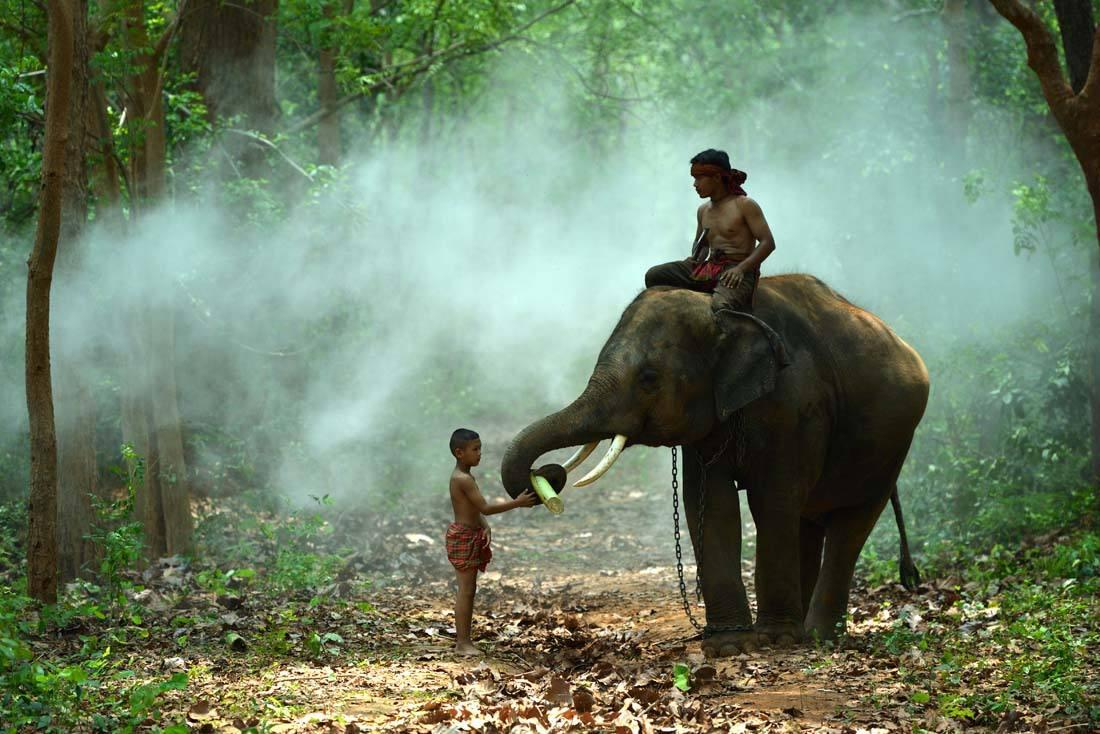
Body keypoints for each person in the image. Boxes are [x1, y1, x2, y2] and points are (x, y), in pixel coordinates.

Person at [645, 149, 777, 316]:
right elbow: (703, 245)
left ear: (716, 177)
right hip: (708, 268)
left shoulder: (745, 205)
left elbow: (768, 243)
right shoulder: (703, 210)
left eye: (699, 178)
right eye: (694, 179)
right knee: (654, 275)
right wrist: (695, 258)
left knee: (721, 307)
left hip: (736, 270)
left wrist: (741, 269)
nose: (694, 184)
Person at [446, 428, 536, 655]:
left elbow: (474, 510)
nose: (479, 454)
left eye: (480, 449)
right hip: (463, 537)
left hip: (470, 534)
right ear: (459, 452)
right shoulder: (462, 479)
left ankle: (464, 640)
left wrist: (484, 526)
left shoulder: (466, 476)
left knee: (469, 589)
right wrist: (518, 503)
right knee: (466, 590)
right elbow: (485, 507)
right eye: (475, 449)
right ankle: (462, 643)